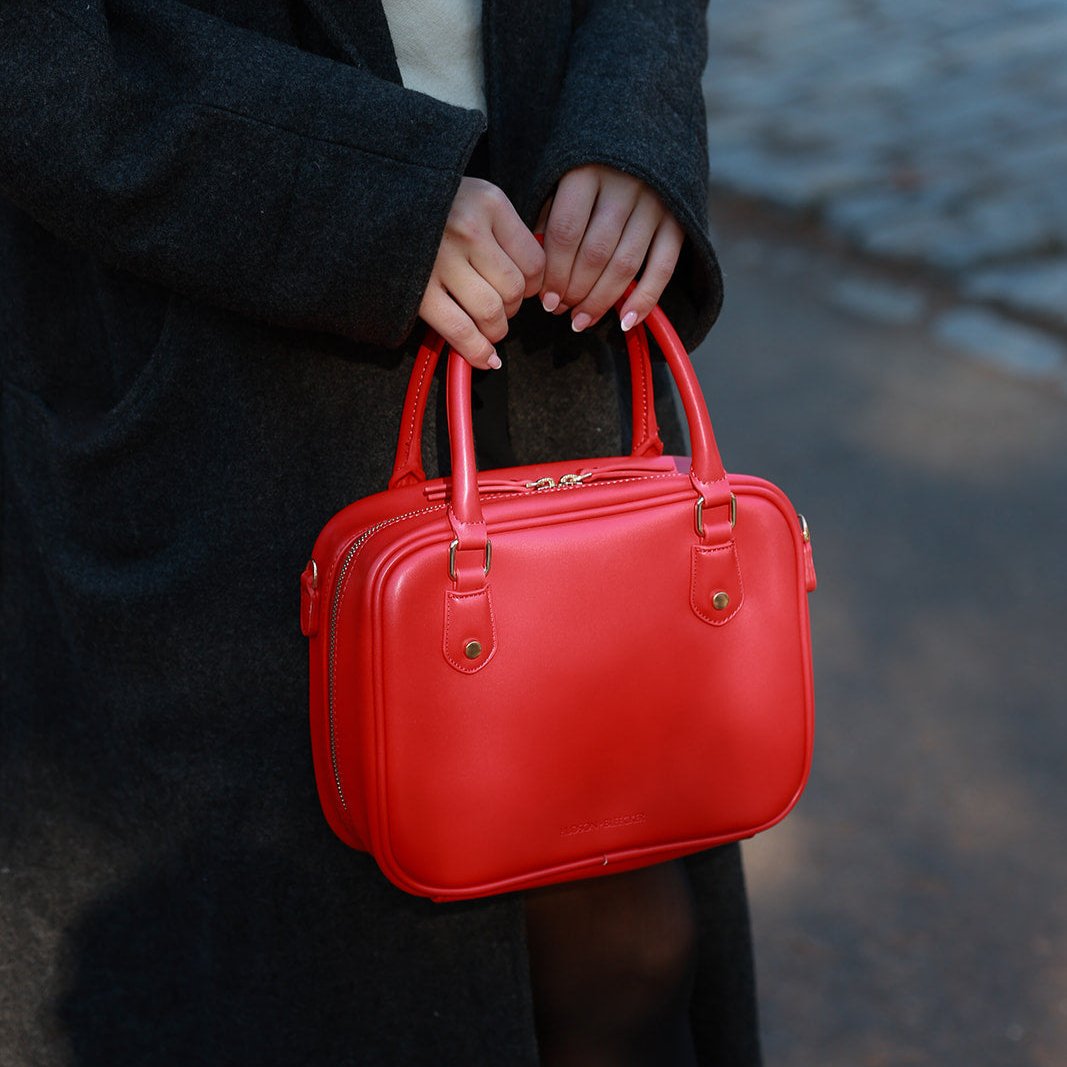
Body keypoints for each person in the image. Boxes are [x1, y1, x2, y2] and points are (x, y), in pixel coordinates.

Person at [0, 2, 762, 1063]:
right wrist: (364, 190)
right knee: (303, 990)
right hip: (209, 370)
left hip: (548, 303)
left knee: (621, 951)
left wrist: (633, 121)